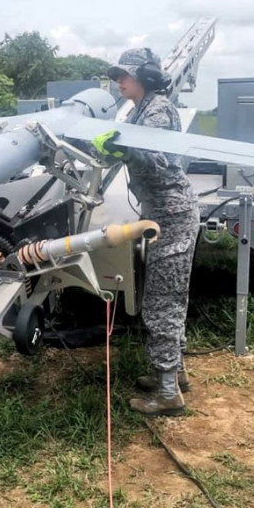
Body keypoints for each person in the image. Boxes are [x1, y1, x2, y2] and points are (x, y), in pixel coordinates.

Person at [92, 48, 199, 417]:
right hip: (161, 215)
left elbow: (159, 159)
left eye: (125, 74)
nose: (118, 81)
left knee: (162, 303)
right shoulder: (137, 110)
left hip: (173, 216)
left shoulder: (158, 110)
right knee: (168, 297)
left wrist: (124, 151)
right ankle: (175, 374)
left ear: (146, 76)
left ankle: (169, 393)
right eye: (116, 75)